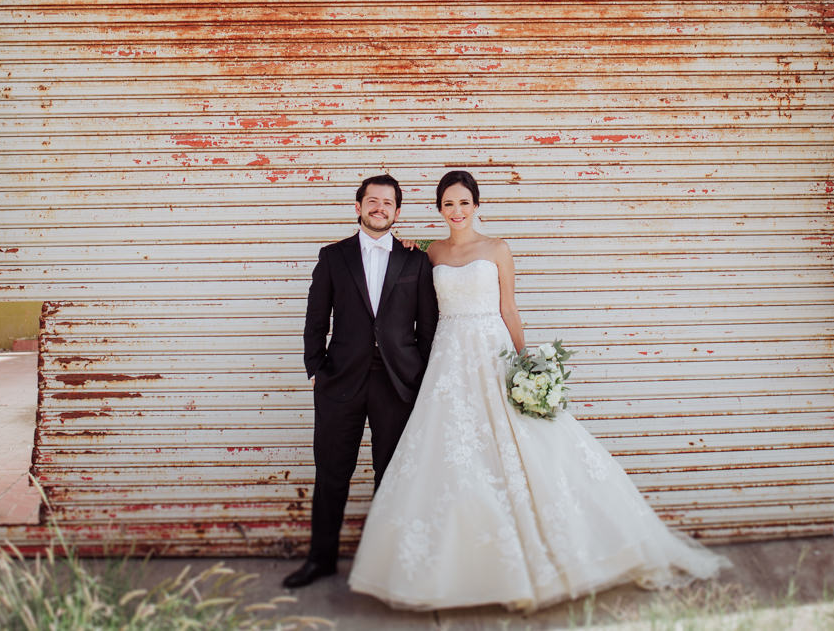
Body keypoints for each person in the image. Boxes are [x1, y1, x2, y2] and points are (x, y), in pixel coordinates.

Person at [347, 168, 729, 610]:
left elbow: (509, 308)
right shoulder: (428, 253)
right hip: (450, 359)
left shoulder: (497, 249)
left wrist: (527, 363)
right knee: (452, 452)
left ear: (477, 206)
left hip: (493, 352)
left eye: (464, 203)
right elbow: (404, 272)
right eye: (448, 204)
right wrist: (410, 243)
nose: (456, 211)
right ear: (438, 209)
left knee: (529, 446)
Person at [283, 173, 439, 589]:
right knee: (331, 474)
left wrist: (418, 375)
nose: (379, 208)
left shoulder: (416, 260)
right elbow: (316, 319)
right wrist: (316, 369)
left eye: (388, 203)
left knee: (391, 476)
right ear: (358, 206)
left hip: (397, 385)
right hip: (340, 384)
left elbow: (429, 326)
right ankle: (322, 560)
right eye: (372, 201)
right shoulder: (334, 256)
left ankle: (387, 565)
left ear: (397, 212)